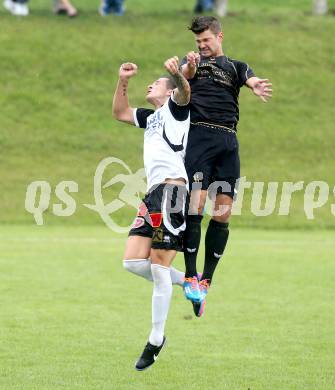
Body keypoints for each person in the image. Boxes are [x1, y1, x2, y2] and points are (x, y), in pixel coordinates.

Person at [180, 16, 273, 315]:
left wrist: (256, 84)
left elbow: (250, 78)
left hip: (228, 141)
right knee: (195, 205)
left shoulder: (235, 66)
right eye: (198, 42)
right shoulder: (191, 62)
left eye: (206, 40)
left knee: (222, 213)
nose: (202, 45)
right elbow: (183, 77)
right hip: (200, 136)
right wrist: (190, 68)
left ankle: (206, 282)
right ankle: (190, 275)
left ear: (219, 36)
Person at [112, 56, 191, 370]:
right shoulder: (152, 117)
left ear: (169, 91)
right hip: (153, 194)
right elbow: (119, 112)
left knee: (158, 270)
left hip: (173, 191)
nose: (151, 84)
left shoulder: (175, 108)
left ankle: (156, 339)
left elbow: (184, 93)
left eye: (156, 82)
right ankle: (189, 282)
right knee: (132, 262)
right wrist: (123, 80)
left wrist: (177, 76)